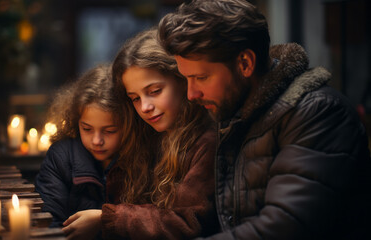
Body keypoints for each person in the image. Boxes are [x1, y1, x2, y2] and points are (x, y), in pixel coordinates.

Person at [158, 0, 371, 239]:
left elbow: (284, 227)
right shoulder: (236, 113)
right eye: (187, 79)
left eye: (201, 77)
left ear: (245, 64)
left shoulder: (319, 113)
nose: (191, 94)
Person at [61, 28, 219, 240]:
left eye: (154, 92)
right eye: (134, 98)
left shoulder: (206, 141)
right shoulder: (145, 137)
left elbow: (187, 222)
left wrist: (107, 218)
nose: (144, 107)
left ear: (182, 81)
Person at [35, 64, 128, 228]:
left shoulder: (142, 156)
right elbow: (49, 223)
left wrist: (101, 223)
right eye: (87, 129)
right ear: (76, 121)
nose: (96, 141)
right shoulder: (61, 157)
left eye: (110, 131)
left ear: (129, 125)